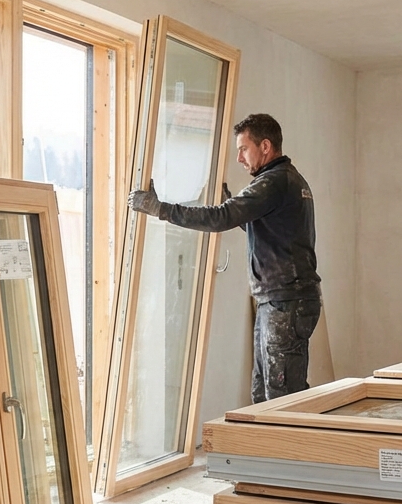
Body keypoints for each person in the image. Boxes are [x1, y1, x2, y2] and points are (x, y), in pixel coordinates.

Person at [128, 113, 320, 404]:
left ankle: (289, 450)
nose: (240, 158)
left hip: (286, 302)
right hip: (281, 300)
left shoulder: (274, 182)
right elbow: (271, 228)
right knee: (264, 392)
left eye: (243, 148)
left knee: (282, 397)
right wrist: (235, 207)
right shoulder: (288, 180)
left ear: (265, 146)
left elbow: (220, 218)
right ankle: (263, 449)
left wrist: (161, 209)